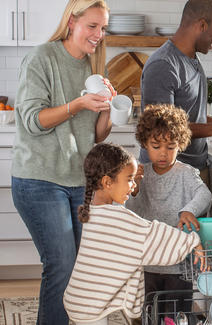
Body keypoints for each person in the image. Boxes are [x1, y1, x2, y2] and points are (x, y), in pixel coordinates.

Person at [11, 1, 113, 324]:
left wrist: (107, 108)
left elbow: (97, 135)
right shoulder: (42, 58)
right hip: (39, 179)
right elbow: (31, 120)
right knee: (62, 264)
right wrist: (79, 104)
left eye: (103, 28)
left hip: (77, 181)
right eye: (92, 26)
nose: (99, 35)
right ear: (72, 22)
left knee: (79, 270)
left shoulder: (95, 67)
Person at [63, 143, 206, 325]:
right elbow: (150, 233)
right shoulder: (118, 217)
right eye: (129, 179)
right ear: (108, 182)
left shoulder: (91, 211)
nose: (132, 186)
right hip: (91, 307)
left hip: (79, 298)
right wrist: (191, 241)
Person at [140, 0, 212, 185]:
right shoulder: (163, 65)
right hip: (166, 176)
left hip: (193, 169)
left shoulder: (192, 60)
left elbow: (187, 115)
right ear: (202, 25)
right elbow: (160, 129)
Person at [126, 104, 212, 318]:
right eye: (156, 146)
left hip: (179, 265)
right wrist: (133, 190)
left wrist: (188, 210)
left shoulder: (186, 173)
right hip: (148, 263)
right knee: (149, 314)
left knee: (177, 316)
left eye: (171, 146)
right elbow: (132, 212)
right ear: (145, 144)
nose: (163, 153)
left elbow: (205, 195)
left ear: (180, 145)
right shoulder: (139, 174)